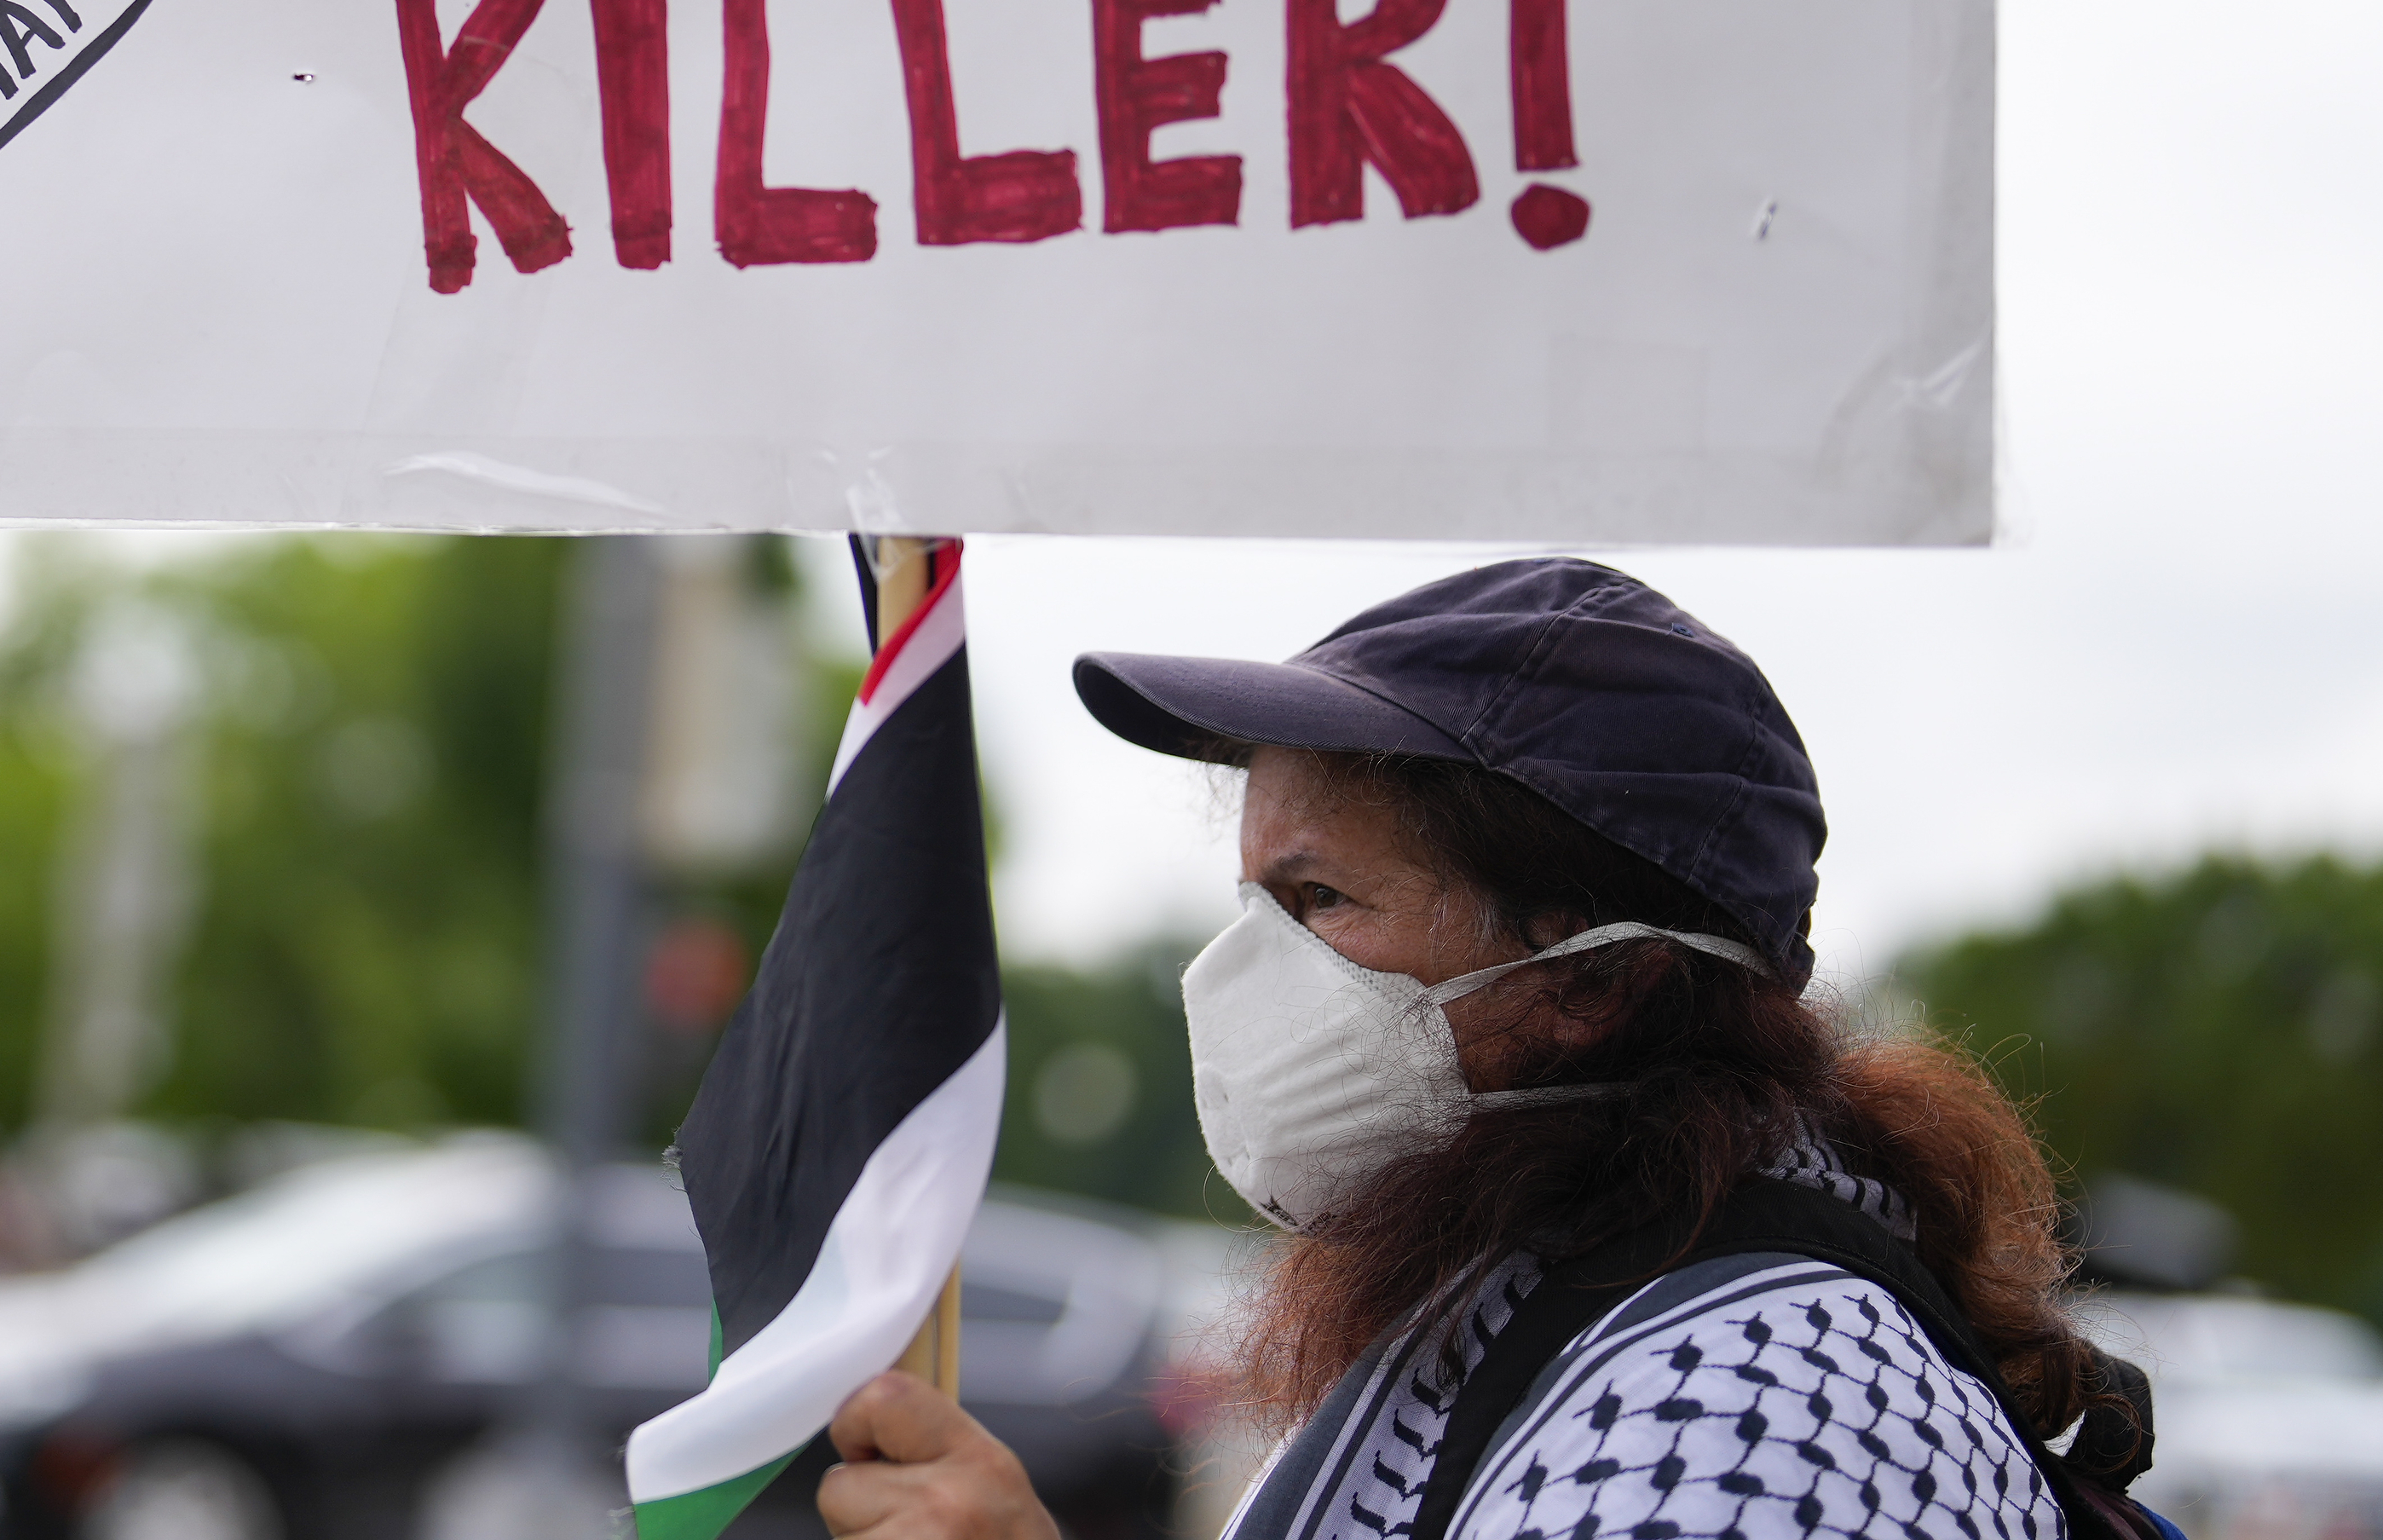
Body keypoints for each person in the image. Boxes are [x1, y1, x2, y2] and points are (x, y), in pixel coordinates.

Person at [811, 557, 2157, 1540]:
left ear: (1595, 977)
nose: (1239, 975)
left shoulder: (1762, 1391)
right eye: (1254, 904)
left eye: (1319, 902)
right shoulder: (1545, 1315)